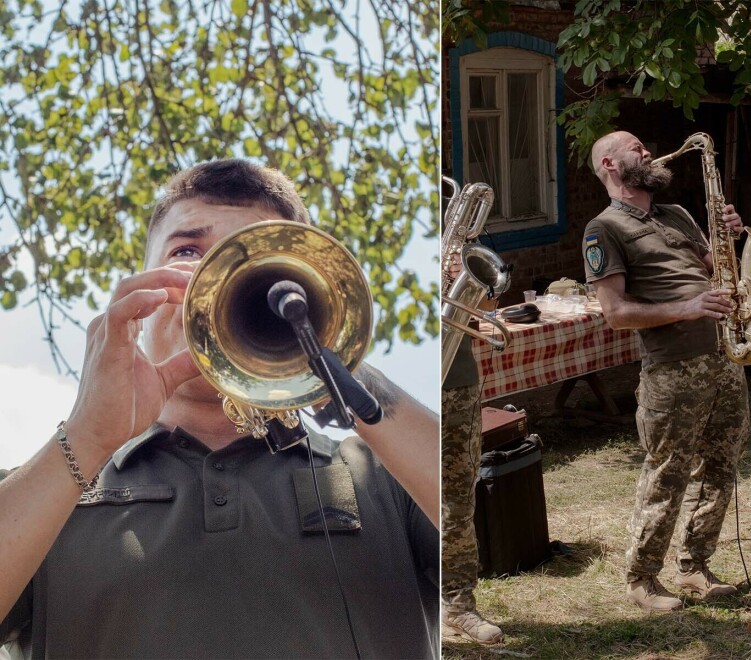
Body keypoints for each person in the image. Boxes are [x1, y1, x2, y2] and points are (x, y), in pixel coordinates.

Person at [0, 159, 440, 658]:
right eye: (187, 251)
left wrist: (338, 367)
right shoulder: (44, 490)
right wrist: (85, 436)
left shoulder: (382, 475)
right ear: (143, 294)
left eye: (253, 261)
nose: (213, 279)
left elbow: (470, 530)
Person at [584, 131, 749, 612]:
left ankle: (694, 566)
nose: (648, 151)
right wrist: (690, 306)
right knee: (667, 473)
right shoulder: (603, 228)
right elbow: (615, 312)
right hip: (672, 368)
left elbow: (719, 271)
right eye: (637, 148)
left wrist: (729, 238)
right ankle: (641, 580)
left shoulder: (675, 214)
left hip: (723, 357)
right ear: (610, 165)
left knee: (721, 467)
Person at [440, 336, 503, 645]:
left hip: (457, 382)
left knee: (458, 504)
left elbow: (486, 307)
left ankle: (457, 606)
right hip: (402, 379)